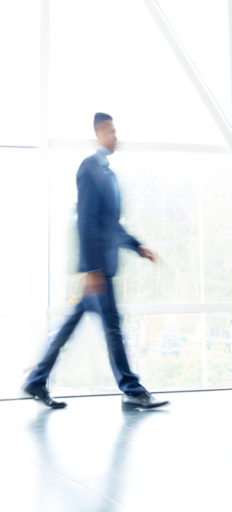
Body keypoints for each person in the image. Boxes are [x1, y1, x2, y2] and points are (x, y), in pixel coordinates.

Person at [23, 113, 168, 411]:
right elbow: (86, 221)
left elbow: (110, 224)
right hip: (98, 270)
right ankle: (132, 389)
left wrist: (138, 246)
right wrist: (91, 270)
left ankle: (36, 379)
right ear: (99, 132)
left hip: (102, 267)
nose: (116, 136)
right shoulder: (90, 168)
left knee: (73, 324)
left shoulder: (107, 172)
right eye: (111, 131)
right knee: (112, 327)